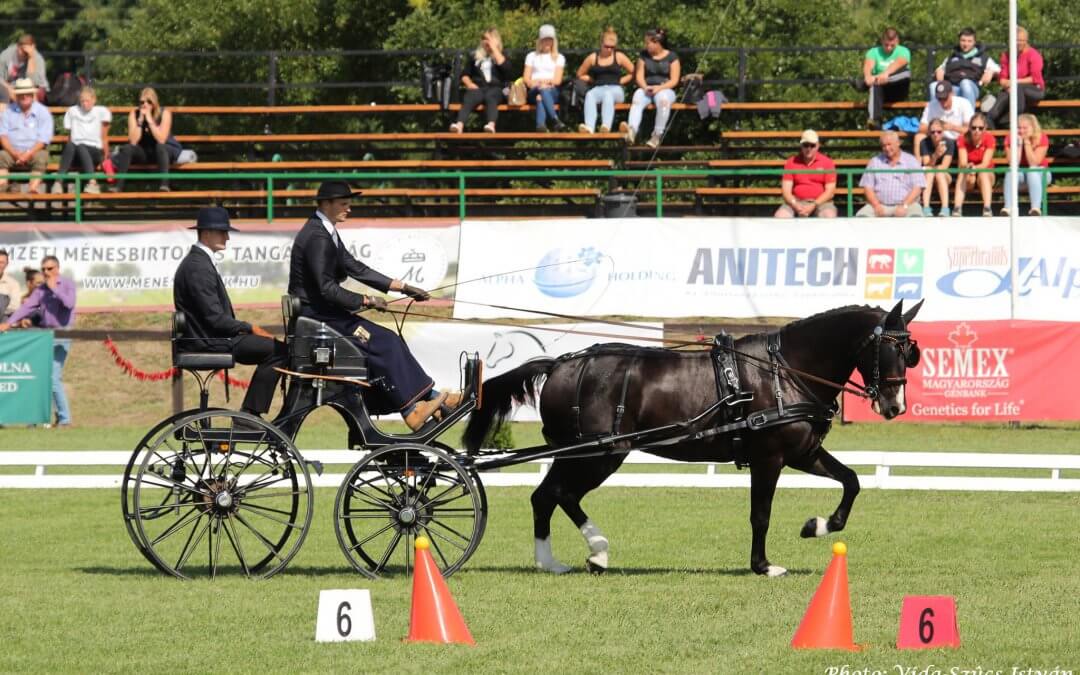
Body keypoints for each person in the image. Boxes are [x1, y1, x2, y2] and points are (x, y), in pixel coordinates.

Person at [288, 180, 459, 430]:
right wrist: (365, 300)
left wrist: (401, 286)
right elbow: (327, 288)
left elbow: (354, 267)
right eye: (344, 204)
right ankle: (412, 410)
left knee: (389, 340)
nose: (349, 209)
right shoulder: (317, 236)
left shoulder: (325, 231)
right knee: (386, 343)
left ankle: (429, 399)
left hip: (325, 314)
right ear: (326, 204)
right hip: (318, 318)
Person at [173, 207, 289, 418]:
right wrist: (250, 328)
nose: (227, 237)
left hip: (209, 336)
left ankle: (252, 412)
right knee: (279, 351)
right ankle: (251, 414)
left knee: (277, 348)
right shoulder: (197, 266)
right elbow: (215, 318)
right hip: (209, 340)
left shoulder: (199, 262)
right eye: (222, 232)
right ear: (207, 233)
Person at [0, 255, 77, 427]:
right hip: (45, 336)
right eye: (43, 269)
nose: (46, 272)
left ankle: (63, 419)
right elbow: (26, 308)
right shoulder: (41, 290)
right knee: (41, 377)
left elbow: (69, 303)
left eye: (49, 269)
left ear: (57, 268)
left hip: (62, 334)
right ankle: (41, 420)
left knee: (52, 377)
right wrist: (8, 323)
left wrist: (54, 288)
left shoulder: (67, 284)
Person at [110, 87, 182, 191]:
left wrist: (150, 120)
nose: (145, 104)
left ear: (154, 103)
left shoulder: (165, 113)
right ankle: (118, 185)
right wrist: (140, 121)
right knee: (127, 148)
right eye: (142, 102)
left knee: (160, 146)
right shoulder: (134, 114)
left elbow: (161, 139)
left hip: (164, 152)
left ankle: (164, 184)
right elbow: (133, 141)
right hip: (145, 151)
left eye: (149, 101)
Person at [623, 27, 680, 149]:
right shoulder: (643, 56)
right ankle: (632, 130)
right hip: (647, 88)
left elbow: (674, 80)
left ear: (657, 43)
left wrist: (659, 88)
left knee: (663, 100)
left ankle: (657, 135)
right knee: (637, 97)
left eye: (648, 43)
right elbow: (639, 76)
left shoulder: (672, 57)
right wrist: (645, 87)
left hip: (665, 88)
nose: (646, 46)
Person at [449, 28, 511, 134]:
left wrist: (494, 49)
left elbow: (506, 69)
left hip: (496, 88)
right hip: (478, 87)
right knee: (470, 97)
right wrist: (469, 84)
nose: (485, 42)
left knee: (491, 97)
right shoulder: (475, 56)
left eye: (488, 39)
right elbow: (464, 75)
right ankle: (459, 125)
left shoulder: (502, 55)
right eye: (483, 39)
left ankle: (491, 125)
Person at [52, 86, 111, 195]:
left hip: (94, 151)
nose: (84, 104)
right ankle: (58, 183)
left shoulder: (101, 112)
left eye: (87, 101)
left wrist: (106, 156)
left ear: (94, 100)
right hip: (77, 153)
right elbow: (70, 135)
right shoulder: (73, 111)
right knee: (71, 145)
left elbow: (104, 137)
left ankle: (92, 183)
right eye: (82, 101)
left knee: (80, 145)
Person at [576, 27, 634, 134]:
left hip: (615, 89)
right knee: (590, 95)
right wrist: (591, 79)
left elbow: (633, 72)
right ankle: (589, 127)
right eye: (606, 46)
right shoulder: (593, 57)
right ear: (601, 44)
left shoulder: (619, 56)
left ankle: (606, 126)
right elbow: (580, 74)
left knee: (608, 94)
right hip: (598, 88)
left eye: (612, 47)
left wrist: (621, 81)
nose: (609, 50)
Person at [0, 78, 53, 194]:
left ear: (32, 94)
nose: (24, 96)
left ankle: (33, 188)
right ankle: (2, 187)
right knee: (1, 156)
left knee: (41, 157)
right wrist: (14, 153)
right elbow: (3, 136)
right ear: (17, 96)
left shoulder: (43, 111)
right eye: (21, 94)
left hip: (34, 151)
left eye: (27, 94)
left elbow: (43, 140)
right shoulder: (8, 111)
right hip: (11, 152)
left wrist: (28, 154)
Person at [853, 28, 911, 130]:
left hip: (898, 89)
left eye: (892, 45)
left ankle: (863, 84)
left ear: (897, 42)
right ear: (882, 41)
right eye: (886, 45)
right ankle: (875, 121)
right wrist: (867, 77)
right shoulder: (873, 52)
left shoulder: (903, 51)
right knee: (875, 85)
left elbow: (900, 62)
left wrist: (885, 74)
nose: (889, 48)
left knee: (906, 73)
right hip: (882, 91)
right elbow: (868, 66)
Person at [856, 131, 925, 217]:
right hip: (879, 205)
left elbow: (918, 188)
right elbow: (867, 187)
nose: (887, 148)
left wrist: (905, 205)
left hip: (908, 205)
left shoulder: (911, 161)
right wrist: (876, 205)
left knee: (916, 217)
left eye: (889, 144)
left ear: (898, 143)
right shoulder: (874, 161)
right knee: (861, 216)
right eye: (884, 146)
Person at [987, 27, 1044, 128]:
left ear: (1026, 41)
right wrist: (1007, 85)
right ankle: (990, 120)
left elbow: (1034, 78)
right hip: (1012, 89)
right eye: (1015, 40)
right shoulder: (1006, 55)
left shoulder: (1033, 55)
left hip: (1035, 89)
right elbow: (1002, 78)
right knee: (1003, 96)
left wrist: (1014, 82)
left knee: (1017, 88)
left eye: (1021, 40)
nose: (1018, 43)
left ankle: (1017, 120)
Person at [774, 129, 837, 218]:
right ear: (801, 146)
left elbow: (830, 192)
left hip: (822, 203)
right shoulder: (791, 162)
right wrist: (794, 204)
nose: (809, 148)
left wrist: (814, 205)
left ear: (818, 146)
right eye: (805, 145)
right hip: (796, 201)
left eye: (812, 145)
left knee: (829, 215)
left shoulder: (827, 162)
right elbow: (786, 191)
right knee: (780, 216)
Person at [932, 27, 999, 107]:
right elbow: (940, 69)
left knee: (965, 83)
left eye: (969, 41)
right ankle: (936, 118)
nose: (965, 44)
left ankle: (969, 117)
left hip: (971, 86)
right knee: (933, 86)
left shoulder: (983, 57)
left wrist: (991, 72)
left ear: (974, 42)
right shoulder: (952, 57)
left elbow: (998, 70)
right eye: (963, 40)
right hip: (952, 88)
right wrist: (939, 71)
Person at [1002, 113, 1050, 217]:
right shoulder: (1010, 138)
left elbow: (1034, 162)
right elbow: (1013, 163)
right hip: (1020, 175)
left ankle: (1035, 208)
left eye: (1025, 128)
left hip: (1040, 173)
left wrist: (1027, 142)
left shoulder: (1042, 137)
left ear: (1033, 127)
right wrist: (1019, 144)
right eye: (1019, 128)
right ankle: (1008, 207)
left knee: (1032, 170)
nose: (1021, 131)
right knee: (1011, 170)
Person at [523, 24, 567, 132]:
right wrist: (538, 83)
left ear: (553, 41)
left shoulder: (559, 58)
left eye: (549, 40)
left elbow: (557, 80)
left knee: (541, 96)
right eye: (544, 40)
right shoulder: (531, 56)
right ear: (540, 41)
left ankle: (540, 126)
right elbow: (526, 79)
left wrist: (544, 82)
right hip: (534, 89)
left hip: (552, 91)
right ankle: (555, 119)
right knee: (540, 92)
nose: (547, 42)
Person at [954, 112, 996, 217]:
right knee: (962, 173)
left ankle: (987, 208)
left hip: (985, 172)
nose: (977, 131)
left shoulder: (990, 139)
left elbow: (985, 164)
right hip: (969, 173)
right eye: (974, 128)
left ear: (985, 128)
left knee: (983, 173)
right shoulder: (962, 139)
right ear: (969, 127)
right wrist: (969, 168)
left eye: (980, 128)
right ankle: (957, 208)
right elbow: (963, 162)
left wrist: (974, 168)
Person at [915, 118, 955, 217]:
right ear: (929, 132)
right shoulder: (924, 142)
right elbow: (926, 164)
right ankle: (926, 207)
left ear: (943, 132)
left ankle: (945, 208)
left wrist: (933, 164)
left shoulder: (949, 143)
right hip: (930, 174)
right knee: (930, 172)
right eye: (933, 132)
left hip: (945, 175)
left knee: (939, 172)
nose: (936, 134)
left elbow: (944, 166)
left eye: (939, 132)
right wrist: (936, 155)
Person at [0, 34, 48, 103]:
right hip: (10, 87)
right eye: (22, 49)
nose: (24, 53)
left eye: (27, 51)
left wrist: (31, 58)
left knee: (33, 95)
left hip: (33, 88)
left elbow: (34, 83)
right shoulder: (6, 55)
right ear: (18, 46)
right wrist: (8, 87)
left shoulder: (38, 59)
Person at [0, 248, 21, 319]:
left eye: (2, 262)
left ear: (6, 264)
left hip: (3, 317)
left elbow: (15, 307)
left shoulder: (13, 284)